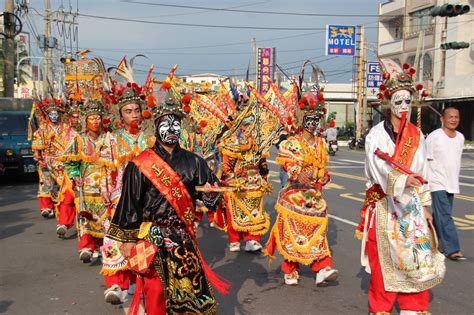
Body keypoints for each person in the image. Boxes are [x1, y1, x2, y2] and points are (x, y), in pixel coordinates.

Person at [106, 79, 228, 314]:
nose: (171, 129)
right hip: (152, 236)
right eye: (165, 124)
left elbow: (212, 196)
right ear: (155, 126)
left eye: (175, 124)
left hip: (183, 235)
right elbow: (130, 203)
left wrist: (213, 196)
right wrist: (127, 239)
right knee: (156, 291)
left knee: (189, 290)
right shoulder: (140, 164)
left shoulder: (195, 161)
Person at [355, 63, 445, 314]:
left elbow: (424, 174)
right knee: (384, 262)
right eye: (399, 100)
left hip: (412, 207)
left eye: (408, 100)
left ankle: (412, 307)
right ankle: (381, 308)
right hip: (385, 205)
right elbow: (377, 169)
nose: (404, 106)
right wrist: (404, 181)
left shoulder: (417, 135)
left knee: (417, 257)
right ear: (388, 103)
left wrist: (426, 206)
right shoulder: (376, 136)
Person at [265, 91, 338, 286]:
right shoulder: (291, 143)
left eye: (316, 119)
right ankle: (290, 268)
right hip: (294, 194)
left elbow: (323, 170)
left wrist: (324, 176)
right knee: (294, 233)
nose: (313, 123)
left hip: (314, 196)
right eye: (309, 119)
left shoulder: (321, 143)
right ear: (301, 119)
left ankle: (322, 267)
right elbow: (293, 170)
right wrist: (306, 174)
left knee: (318, 233)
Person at [100, 81, 155, 304]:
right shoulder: (111, 139)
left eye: (136, 110)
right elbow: (104, 169)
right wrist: (103, 189)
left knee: (142, 242)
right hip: (119, 198)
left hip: (146, 200)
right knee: (115, 240)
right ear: (120, 114)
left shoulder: (151, 139)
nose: (134, 115)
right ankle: (116, 284)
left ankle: (137, 281)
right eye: (128, 111)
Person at [61, 99, 111, 263]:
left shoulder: (109, 138)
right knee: (85, 217)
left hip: (106, 186)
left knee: (105, 219)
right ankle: (86, 247)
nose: (95, 122)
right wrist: (75, 174)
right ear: (85, 120)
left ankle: (106, 247)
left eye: (98, 118)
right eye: (91, 118)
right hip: (85, 185)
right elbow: (69, 161)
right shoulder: (79, 139)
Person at [220, 113, 271, 252]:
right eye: (245, 124)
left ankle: (252, 240)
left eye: (250, 124)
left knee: (255, 212)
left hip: (254, 182)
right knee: (234, 213)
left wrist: (264, 175)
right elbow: (226, 166)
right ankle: (234, 240)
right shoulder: (231, 141)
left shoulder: (258, 142)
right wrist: (232, 180)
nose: (247, 127)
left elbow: (262, 162)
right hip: (237, 183)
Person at [426, 107, 466, 261]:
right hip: (437, 182)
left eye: (456, 117)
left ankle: (432, 242)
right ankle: (453, 248)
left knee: (440, 216)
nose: (454, 119)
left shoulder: (460, 137)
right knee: (445, 215)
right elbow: (426, 160)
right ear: (442, 119)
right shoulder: (434, 137)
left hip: (451, 182)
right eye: (450, 117)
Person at [32, 99, 69, 218]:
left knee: (62, 184)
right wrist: (38, 156)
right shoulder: (43, 129)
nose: (54, 116)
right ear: (48, 115)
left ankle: (60, 204)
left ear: (59, 115)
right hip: (46, 160)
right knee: (46, 183)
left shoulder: (65, 128)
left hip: (62, 160)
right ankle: (46, 206)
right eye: (51, 114)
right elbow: (37, 143)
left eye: (55, 113)